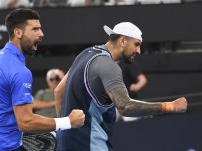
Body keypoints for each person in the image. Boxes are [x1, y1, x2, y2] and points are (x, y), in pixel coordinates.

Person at [0, 8, 85, 151]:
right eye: (35, 29)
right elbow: (25, 122)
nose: (41, 34)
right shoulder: (21, 72)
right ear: (18, 32)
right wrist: (68, 122)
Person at [54, 22, 187, 151]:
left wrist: (65, 128)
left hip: (65, 144)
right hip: (91, 146)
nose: (139, 51)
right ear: (123, 40)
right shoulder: (109, 66)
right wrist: (170, 106)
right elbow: (125, 106)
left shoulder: (85, 53)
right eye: (136, 44)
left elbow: (58, 91)